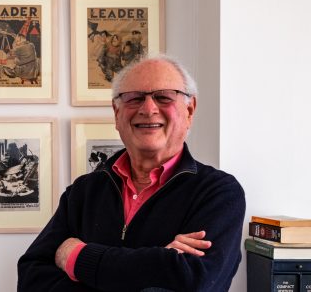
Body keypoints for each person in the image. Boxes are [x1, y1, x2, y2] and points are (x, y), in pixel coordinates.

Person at [17, 54, 246, 291]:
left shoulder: (218, 193)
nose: (148, 109)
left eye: (163, 97)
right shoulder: (83, 192)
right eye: (134, 98)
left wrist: (77, 256)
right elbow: (31, 278)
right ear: (117, 114)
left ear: (189, 110)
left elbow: (197, 283)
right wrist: (161, 263)